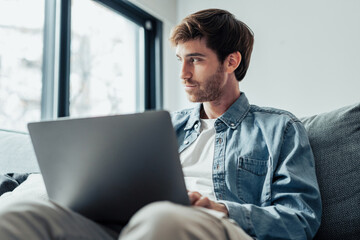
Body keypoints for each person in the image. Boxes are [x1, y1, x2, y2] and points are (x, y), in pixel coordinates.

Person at [0, 8, 321, 240]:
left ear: (231, 61)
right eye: (180, 60)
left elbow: (300, 220)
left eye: (194, 60)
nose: (183, 74)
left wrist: (221, 208)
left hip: (215, 226)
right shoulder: (161, 126)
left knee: (161, 219)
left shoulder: (279, 129)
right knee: (21, 216)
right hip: (130, 225)